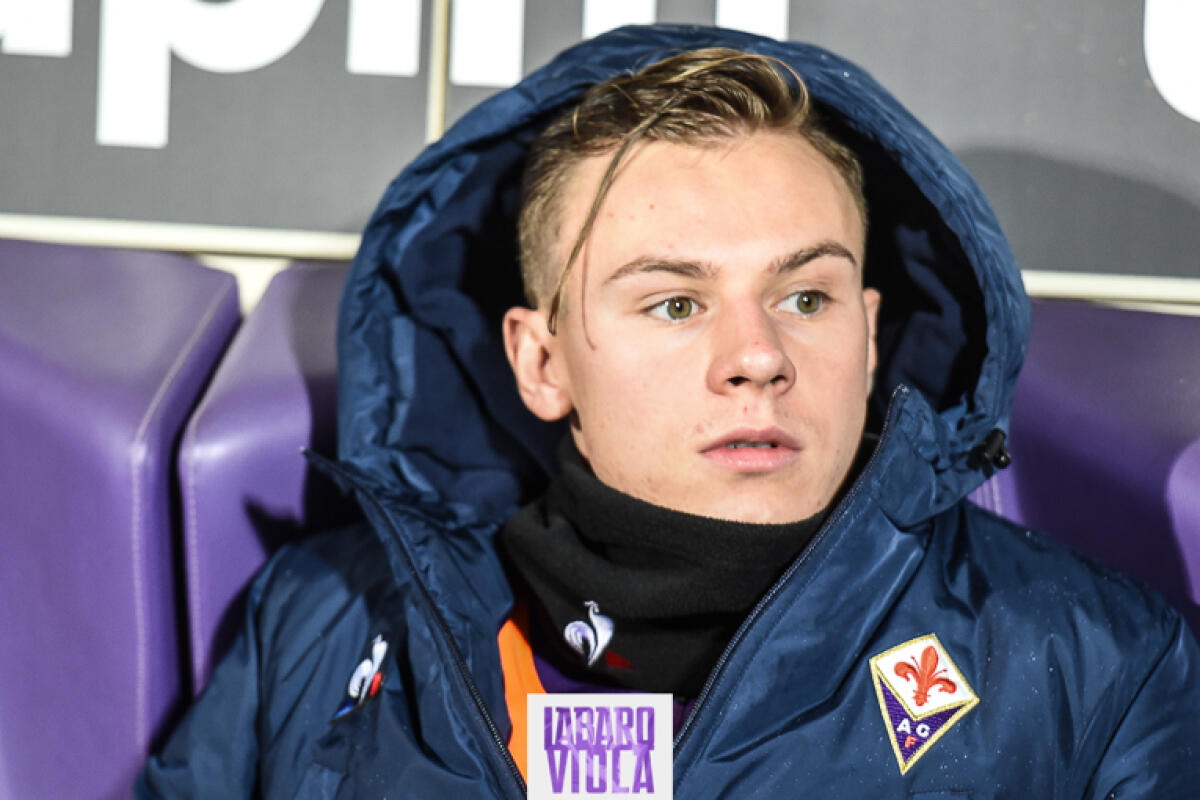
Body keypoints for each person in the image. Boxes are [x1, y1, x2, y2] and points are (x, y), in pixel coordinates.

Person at [138, 25, 1200, 798]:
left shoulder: (1096, 663)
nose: (757, 357)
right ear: (542, 361)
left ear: (872, 334)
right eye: (676, 303)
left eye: (806, 297)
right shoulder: (315, 622)